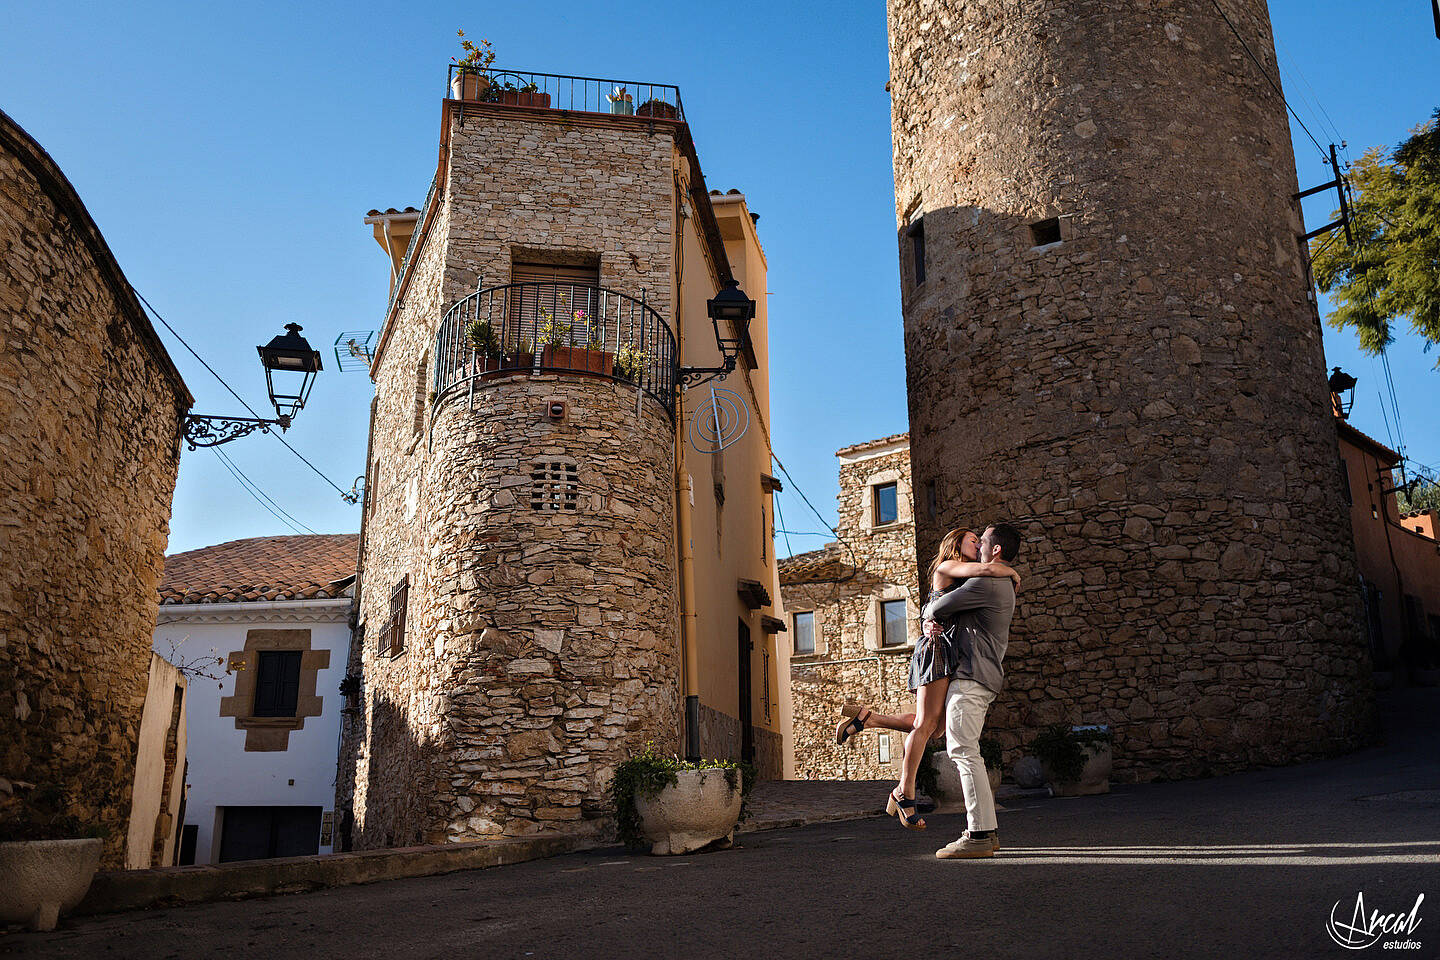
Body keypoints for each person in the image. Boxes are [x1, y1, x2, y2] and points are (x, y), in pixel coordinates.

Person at [833, 527, 1019, 830]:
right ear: (956, 544)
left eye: (980, 540)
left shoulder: (967, 579)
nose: (977, 543)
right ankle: (904, 792)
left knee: (935, 728)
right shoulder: (948, 566)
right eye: (972, 540)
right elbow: (983, 570)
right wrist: (1008, 573)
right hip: (936, 650)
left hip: (948, 652)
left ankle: (868, 719)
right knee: (925, 725)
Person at [927, 522, 1021, 859]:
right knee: (967, 750)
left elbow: (936, 609)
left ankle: (979, 835)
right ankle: (987, 832)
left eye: (981, 541)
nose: (978, 544)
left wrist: (930, 614)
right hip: (980, 674)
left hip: (972, 676)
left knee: (964, 750)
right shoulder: (996, 580)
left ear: (995, 551)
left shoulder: (987, 581)